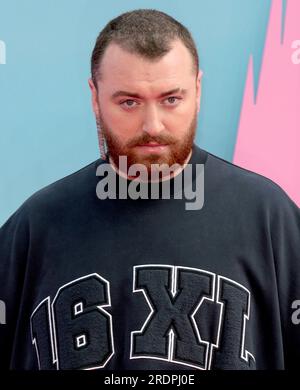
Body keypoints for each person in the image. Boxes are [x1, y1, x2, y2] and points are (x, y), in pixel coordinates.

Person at [0, 8, 299, 370]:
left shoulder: (267, 217)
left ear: (198, 90)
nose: (152, 125)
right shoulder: (36, 228)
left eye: (171, 99)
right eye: (129, 102)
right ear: (95, 97)